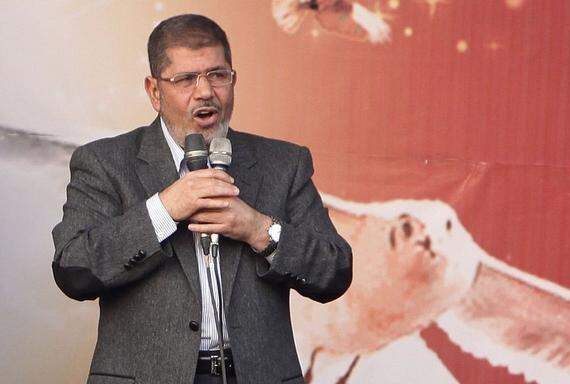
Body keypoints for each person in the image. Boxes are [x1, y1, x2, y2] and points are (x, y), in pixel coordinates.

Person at [51, 14, 352, 384]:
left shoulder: (284, 163)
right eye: (185, 79)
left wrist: (259, 229)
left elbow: (335, 272)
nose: (205, 91)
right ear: (154, 91)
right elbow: (73, 270)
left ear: (233, 80)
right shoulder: (105, 163)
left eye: (218, 75)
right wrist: (164, 210)